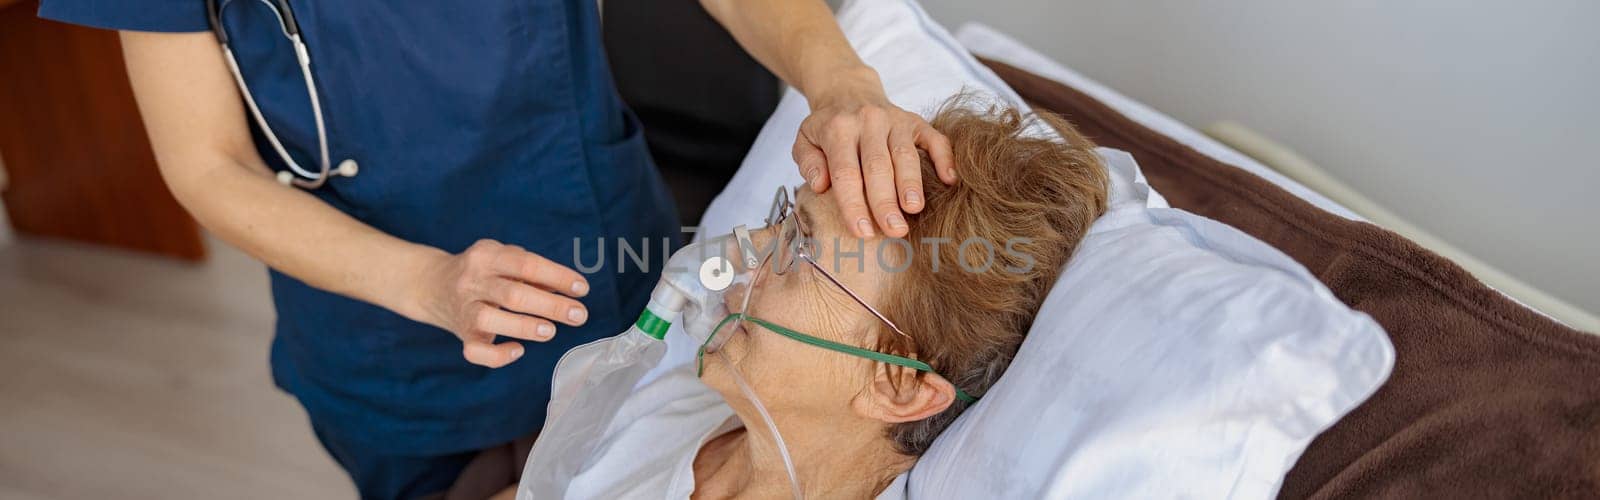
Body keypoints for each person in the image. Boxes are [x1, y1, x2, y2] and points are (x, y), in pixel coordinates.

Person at [38, 0, 954, 498]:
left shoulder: (714, 399)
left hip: (603, 263)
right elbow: (204, 167)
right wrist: (425, 281)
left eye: (800, 246)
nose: (757, 250)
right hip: (392, 346)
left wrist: (838, 77)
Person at [551, 100, 1111, 498]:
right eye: (786, 218)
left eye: (803, 248)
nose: (752, 246)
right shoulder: (686, 408)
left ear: (898, 385)